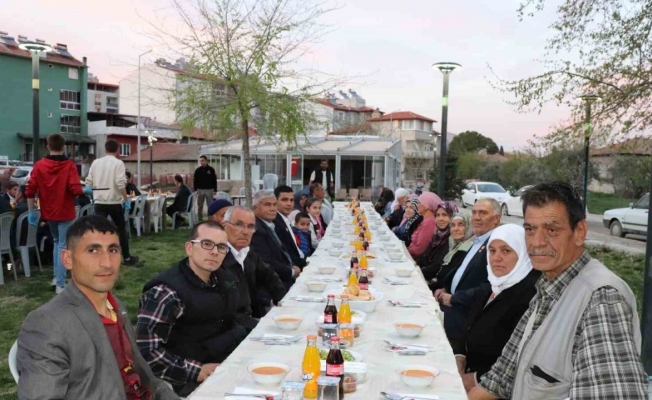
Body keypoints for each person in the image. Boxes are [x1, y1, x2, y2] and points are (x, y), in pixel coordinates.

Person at [469, 182, 647, 400]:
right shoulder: (547, 288)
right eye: (530, 229)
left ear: (579, 232)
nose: (537, 242)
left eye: (552, 230)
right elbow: (500, 378)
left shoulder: (601, 300)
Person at [16, 216, 177, 400]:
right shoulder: (46, 324)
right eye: (93, 250)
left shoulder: (116, 306)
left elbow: (143, 375)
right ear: (67, 259)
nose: (107, 263)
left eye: (113, 250)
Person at [137, 221, 247, 396]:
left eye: (221, 247)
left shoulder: (223, 279)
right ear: (189, 248)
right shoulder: (166, 292)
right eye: (207, 244)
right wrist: (196, 371)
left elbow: (234, 318)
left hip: (226, 362)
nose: (214, 252)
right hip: (186, 381)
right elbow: (146, 353)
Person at [454, 224, 541, 392]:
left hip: (493, 390)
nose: (496, 258)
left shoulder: (530, 296)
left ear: (523, 252)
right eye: (492, 251)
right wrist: (459, 356)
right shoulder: (494, 285)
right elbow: (468, 326)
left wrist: (475, 379)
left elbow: (520, 362)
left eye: (506, 251)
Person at [435, 198, 501, 348]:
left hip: (464, 316)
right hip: (450, 304)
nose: (476, 217)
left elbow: (490, 287)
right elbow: (461, 271)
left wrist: (453, 298)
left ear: (496, 219)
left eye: (483, 213)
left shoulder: (495, 244)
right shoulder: (477, 240)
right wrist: (445, 287)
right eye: (474, 212)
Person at [27, 133, 85, 292]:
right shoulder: (69, 165)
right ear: (64, 146)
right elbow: (75, 189)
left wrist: (31, 211)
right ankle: (60, 283)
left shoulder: (39, 165)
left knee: (57, 242)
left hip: (48, 212)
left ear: (48, 146)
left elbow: (30, 190)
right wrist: (83, 189)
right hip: (65, 212)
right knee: (63, 246)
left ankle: (56, 277)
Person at [221, 206, 287, 327]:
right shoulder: (217, 257)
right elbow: (230, 312)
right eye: (239, 224)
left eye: (250, 227)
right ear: (224, 225)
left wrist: (284, 303)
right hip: (231, 327)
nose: (245, 232)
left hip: (252, 317)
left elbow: (270, 276)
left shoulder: (247, 252)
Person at [86, 139, 139, 266]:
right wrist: (126, 200)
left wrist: (91, 191)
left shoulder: (96, 163)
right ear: (117, 150)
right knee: (121, 230)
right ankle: (126, 257)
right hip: (114, 202)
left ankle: (95, 257)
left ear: (105, 149)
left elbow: (89, 182)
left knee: (98, 232)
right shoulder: (118, 163)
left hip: (99, 202)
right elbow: (120, 183)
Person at [250, 190, 300, 290]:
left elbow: (283, 253)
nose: (273, 209)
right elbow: (266, 262)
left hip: (284, 277)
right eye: (267, 205)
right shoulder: (257, 230)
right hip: (275, 285)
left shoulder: (269, 224)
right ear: (255, 209)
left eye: (274, 205)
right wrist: (291, 272)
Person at [422, 213, 473, 291]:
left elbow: (450, 279)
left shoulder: (467, 249)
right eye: (453, 225)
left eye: (461, 225)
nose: (456, 229)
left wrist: (429, 287)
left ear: (469, 227)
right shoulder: (452, 243)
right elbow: (439, 265)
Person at [416, 200, 456, 269]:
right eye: (437, 215)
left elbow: (437, 266)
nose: (440, 219)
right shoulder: (437, 235)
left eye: (445, 215)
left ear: (453, 217)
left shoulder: (453, 239)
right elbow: (425, 255)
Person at [273, 185, 305, 268]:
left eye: (291, 200)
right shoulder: (275, 223)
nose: (289, 204)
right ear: (275, 201)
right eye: (284, 200)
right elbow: (286, 253)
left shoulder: (285, 219)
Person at [407, 192, 441, 258]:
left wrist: (405, 251)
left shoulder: (429, 222)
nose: (417, 205)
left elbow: (420, 249)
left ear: (426, 205)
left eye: (419, 203)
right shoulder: (426, 220)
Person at [193, 156, 217, 221]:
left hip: (209, 189)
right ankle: (200, 218)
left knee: (210, 205)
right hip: (200, 190)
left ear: (206, 161)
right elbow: (195, 180)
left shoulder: (211, 169)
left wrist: (215, 189)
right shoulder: (197, 170)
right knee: (200, 205)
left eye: (202, 160)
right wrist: (195, 190)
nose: (201, 162)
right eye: (200, 161)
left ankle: (210, 218)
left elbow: (214, 180)